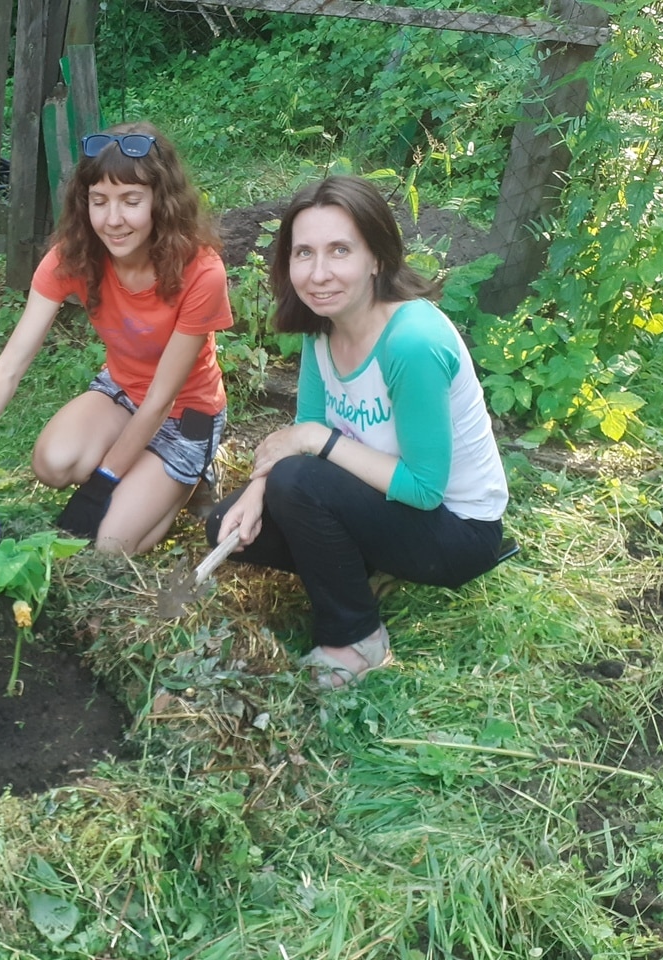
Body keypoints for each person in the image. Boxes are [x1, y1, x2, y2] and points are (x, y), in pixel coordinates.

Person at [206, 175, 508, 688]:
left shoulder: (411, 341)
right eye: (304, 253)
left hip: (458, 529)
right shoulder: (323, 327)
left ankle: (356, 639)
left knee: (298, 482)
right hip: (385, 500)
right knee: (229, 527)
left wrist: (312, 445)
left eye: (339, 250)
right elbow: (311, 425)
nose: (318, 273)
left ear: (377, 258)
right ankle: (365, 568)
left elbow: (423, 487)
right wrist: (256, 489)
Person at [0, 122, 233, 555]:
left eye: (131, 201)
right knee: (51, 463)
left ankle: (195, 475)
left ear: (161, 203)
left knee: (109, 543)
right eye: (99, 201)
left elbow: (163, 399)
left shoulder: (201, 271)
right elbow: (12, 363)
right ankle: (140, 473)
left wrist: (101, 485)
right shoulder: (73, 257)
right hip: (122, 392)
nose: (113, 220)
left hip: (186, 416)